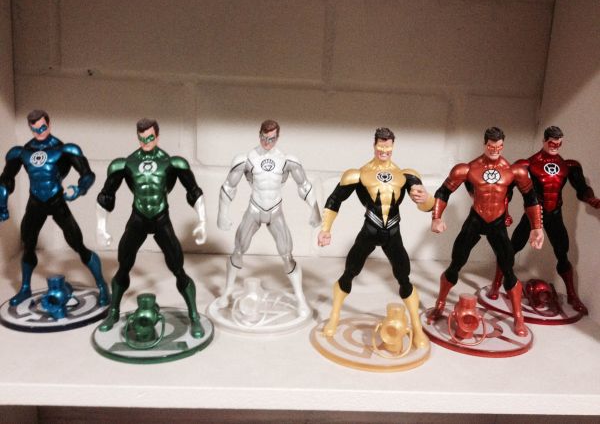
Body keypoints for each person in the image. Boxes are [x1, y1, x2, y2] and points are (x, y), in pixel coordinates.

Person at [317, 127, 433, 348]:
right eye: (380, 146)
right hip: (369, 231)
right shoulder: (358, 174)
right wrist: (325, 229)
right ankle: (334, 317)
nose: (384, 150)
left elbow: (427, 207)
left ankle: (417, 329)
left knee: (404, 278)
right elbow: (334, 200)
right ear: (374, 145)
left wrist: (426, 198)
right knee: (349, 272)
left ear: (393, 146)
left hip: (393, 233)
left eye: (388, 146)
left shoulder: (405, 175)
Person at [428, 127, 544, 336]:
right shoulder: (467, 169)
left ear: (503, 146)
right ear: (485, 144)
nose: (495, 150)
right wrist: (436, 217)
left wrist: (537, 228)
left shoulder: (513, 171)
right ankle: (440, 304)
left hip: (497, 223)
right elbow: (443, 192)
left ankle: (518, 316)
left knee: (508, 269)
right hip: (475, 220)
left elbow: (531, 198)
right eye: (491, 146)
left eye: (499, 147)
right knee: (456, 263)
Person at [96, 118, 207, 337]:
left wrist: (202, 221)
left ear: (157, 136)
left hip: (161, 218)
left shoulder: (172, 162)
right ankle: (114, 312)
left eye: (149, 138)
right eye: (141, 138)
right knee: (123, 265)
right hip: (138, 218)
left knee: (178, 269)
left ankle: (194, 316)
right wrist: (101, 226)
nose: (145, 142)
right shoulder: (126, 163)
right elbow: (106, 195)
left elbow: (193, 191)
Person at [487, 126, 600, 314]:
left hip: (554, 214)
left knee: (562, 253)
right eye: (552, 143)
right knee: (512, 249)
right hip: (533, 214)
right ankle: (495, 285)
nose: (555, 147)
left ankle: (572, 295)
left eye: (558, 144)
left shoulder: (568, 166)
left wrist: (592, 200)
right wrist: (504, 212)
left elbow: (582, 189)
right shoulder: (528, 164)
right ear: (544, 141)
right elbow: (506, 189)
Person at [0, 109, 108, 307]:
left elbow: (87, 174)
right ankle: (25, 288)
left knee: (78, 244)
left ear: (49, 124)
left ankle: (102, 285)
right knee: (28, 245)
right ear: (30, 128)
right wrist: (3, 195)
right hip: (35, 202)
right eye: (35, 129)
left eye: (42, 127)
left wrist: (80, 189)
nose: (39, 132)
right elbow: (6, 178)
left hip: (57, 201)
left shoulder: (64, 150)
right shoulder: (22, 152)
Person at [216, 119, 321, 317]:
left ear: (277, 138)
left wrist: (314, 210)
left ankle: (300, 298)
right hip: (254, 209)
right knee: (238, 250)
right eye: (264, 138)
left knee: (287, 255)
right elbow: (229, 186)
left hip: (275, 211)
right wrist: (223, 213)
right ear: (259, 135)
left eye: (271, 139)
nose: (267, 142)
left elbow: (304, 185)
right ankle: (227, 292)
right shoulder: (247, 159)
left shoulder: (286, 160)